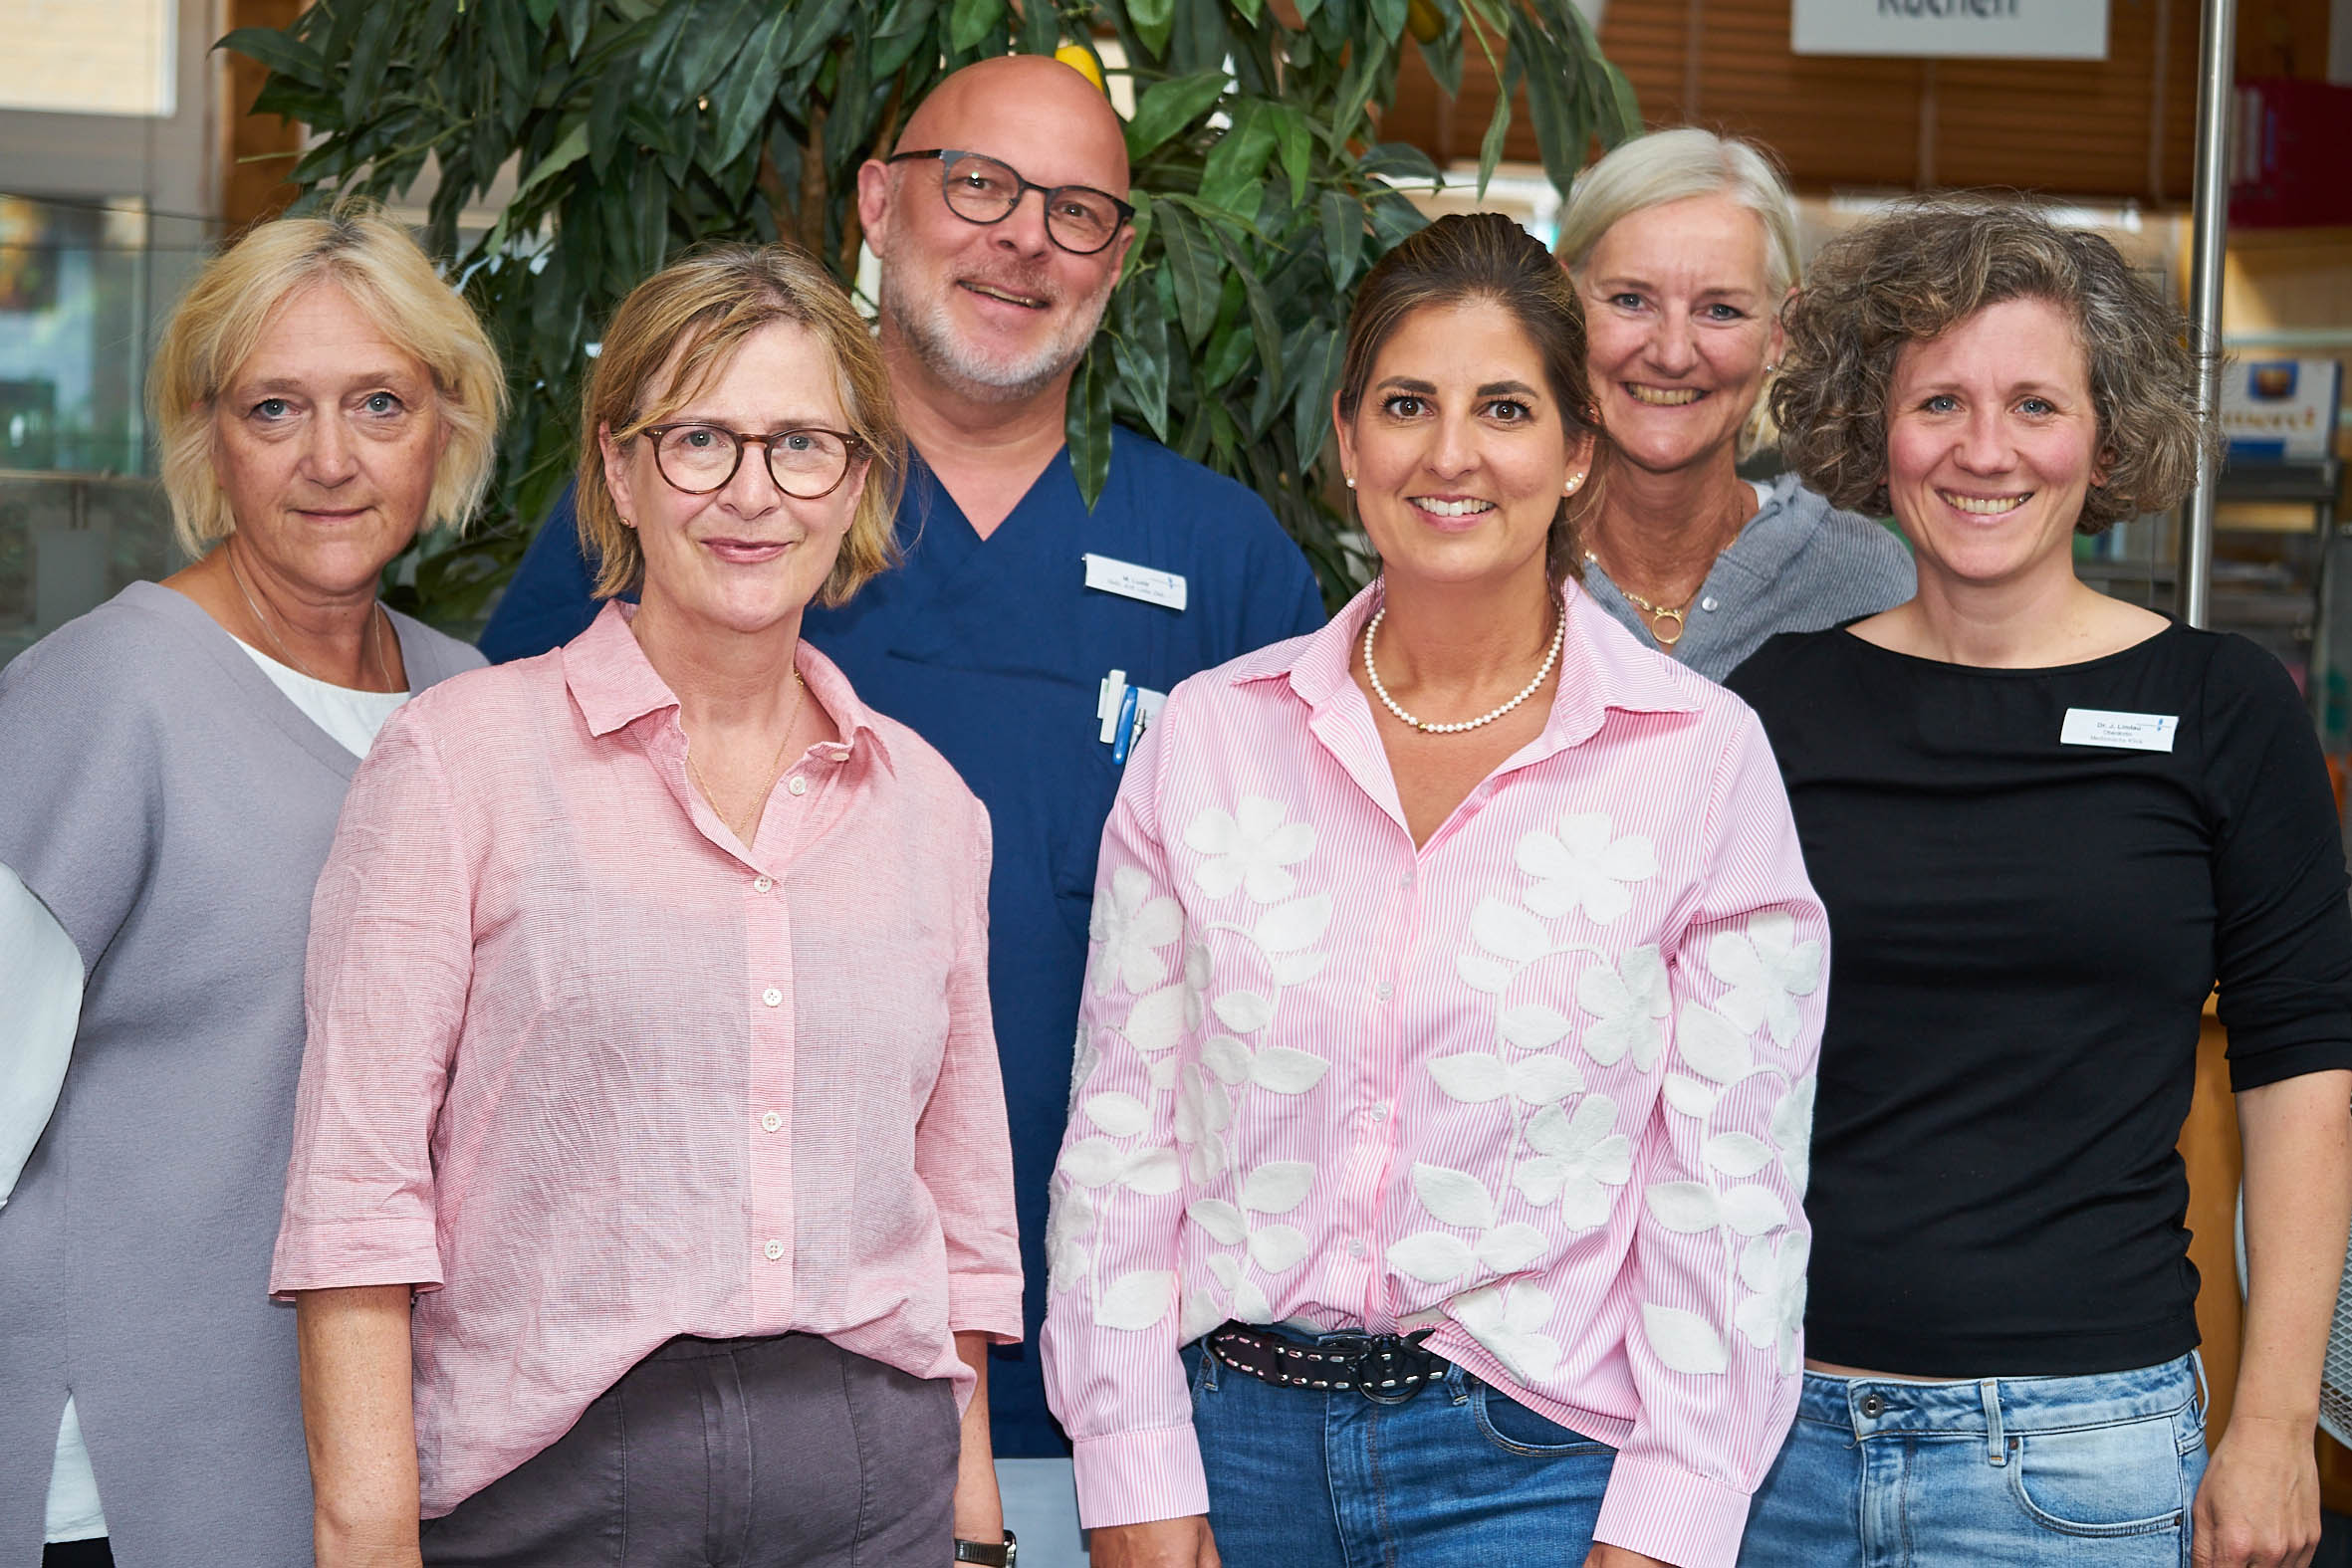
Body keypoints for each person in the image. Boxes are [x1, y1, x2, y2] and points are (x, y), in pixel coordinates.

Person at [473, 54, 1327, 1472]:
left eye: (1076, 210)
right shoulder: (692, 513)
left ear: (1119, 259)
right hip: (679, 1373)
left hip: (1115, 1388)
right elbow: (490, 868)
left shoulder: (1224, 562)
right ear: (877, 200)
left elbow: (1313, 972)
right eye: (978, 185)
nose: (1021, 239)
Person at [1044, 212, 1828, 1568]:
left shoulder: (1698, 760)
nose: (1450, 453)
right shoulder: (1216, 737)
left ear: (1575, 450)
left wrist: (1664, 1530)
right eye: (1406, 403)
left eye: (1504, 407)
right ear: (1346, 438)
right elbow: (1121, 1147)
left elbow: (1731, 1200)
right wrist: (1132, 1483)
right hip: (1225, 1454)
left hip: (1538, 1472)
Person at [271, 244, 1023, 1565]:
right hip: (554, 1499)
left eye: (800, 443)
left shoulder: (931, 811)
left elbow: (960, 1219)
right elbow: (354, 1204)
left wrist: (975, 1537)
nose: (750, 492)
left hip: (874, 1498)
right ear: (618, 468)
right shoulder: (456, 765)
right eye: (699, 440)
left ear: (856, 482)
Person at [1724, 200, 2352, 1568]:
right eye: (1937, 399)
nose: (1983, 448)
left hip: (2081, 1449)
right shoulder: (1777, 703)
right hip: (1771, 1439)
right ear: (1865, 425)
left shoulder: (2219, 705)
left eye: (2032, 401)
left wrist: (2270, 1425)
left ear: (2105, 430)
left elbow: (2301, 1071)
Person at [0, 203, 500, 1567]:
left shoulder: (474, 703)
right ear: (208, 438)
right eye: (275, 407)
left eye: (379, 403)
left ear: (445, 428)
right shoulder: (100, 698)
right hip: (114, 1474)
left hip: (380, 1463)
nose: (330, 460)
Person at [1553, 127, 1912, 680]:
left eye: (1719, 310)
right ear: (1561, 306)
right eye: (1631, 300)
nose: (1672, 354)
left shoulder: (1861, 578)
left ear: (1778, 331)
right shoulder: (1488, 556)